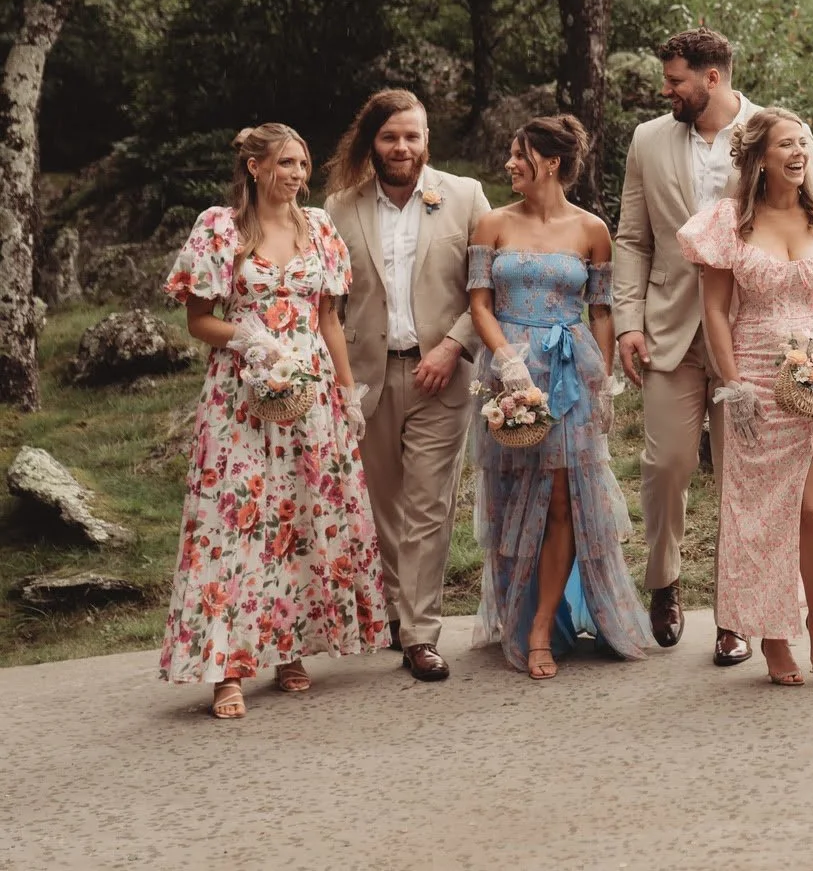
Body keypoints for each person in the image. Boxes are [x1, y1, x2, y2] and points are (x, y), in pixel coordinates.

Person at [160, 124, 387, 719]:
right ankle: (227, 668)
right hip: (240, 394)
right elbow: (198, 321)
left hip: (308, 392)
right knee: (233, 523)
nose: (297, 174)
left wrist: (346, 393)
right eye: (285, 163)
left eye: (303, 164)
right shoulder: (220, 228)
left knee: (299, 515)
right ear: (255, 167)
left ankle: (288, 646)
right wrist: (251, 339)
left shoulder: (321, 230)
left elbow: (329, 320)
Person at [681, 109, 813, 684]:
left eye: (804, 143)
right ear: (760, 158)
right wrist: (731, 382)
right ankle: (772, 632)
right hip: (756, 377)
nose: (799, 152)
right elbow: (715, 309)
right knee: (764, 512)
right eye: (786, 144)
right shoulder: (728, 224)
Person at [467, 115, 654, 677]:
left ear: (549, 162)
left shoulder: (592, 229)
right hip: (508, 368)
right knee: (509, 498)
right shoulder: (491, 224)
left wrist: (600, 383)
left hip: (570, 371)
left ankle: (546, 623)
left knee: (563, 499)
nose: (509, 164)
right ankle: (515, 613)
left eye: (519, 154)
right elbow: (479, 304)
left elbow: (601, 312)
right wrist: (507, 362)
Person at [323, 88, 490, 682]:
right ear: (374, 140)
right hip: (365, 376)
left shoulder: (465, 197)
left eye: (412, 136)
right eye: (391, 136)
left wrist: (453, 345)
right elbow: (331, 304)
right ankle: (399, 608)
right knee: (383, 506)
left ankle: (420, 633)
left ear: (427, 140)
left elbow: (486, 290)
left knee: (427, 505)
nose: (402, 147)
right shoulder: (340, 207)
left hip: (440, 373)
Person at [611, 28, 760, 660]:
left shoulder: (773, 130)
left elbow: (806, 218)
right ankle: (664, 582)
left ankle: (736, 611)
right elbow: (632, 237)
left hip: (750, 331)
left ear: (713, 79)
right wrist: (627, 321)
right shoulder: (649, 139)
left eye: (675, 80)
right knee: (667, 465)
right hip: (669, 329)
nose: (665, 90)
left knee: (742, 476)